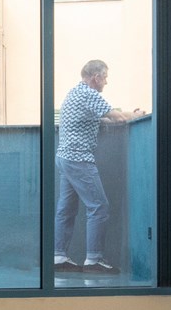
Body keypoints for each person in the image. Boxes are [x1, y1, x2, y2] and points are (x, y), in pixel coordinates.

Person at [53, 58, 145, 274]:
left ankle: (58, 256)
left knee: (66, 209)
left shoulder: (74, 93)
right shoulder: (89, 94)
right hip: (79, 159)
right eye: (105, 77)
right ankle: (93, 259)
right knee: (98, 207)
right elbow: (118, 118)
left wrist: (123, 115)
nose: (106, 82)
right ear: (96, 77)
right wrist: (136, 115)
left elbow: (101, 119)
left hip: (65, 158)